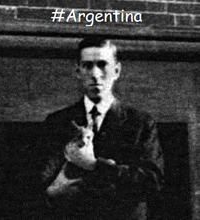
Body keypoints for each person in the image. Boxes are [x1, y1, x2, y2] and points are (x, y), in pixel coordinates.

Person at [41, 38, 164, 220]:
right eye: (87, 66)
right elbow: (40, 185)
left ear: (116, 70)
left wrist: (93, 165)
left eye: (102, 65)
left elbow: (153, 181)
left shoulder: (140, 123)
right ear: (77, 71)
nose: (95, 74)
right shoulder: (57, 122)